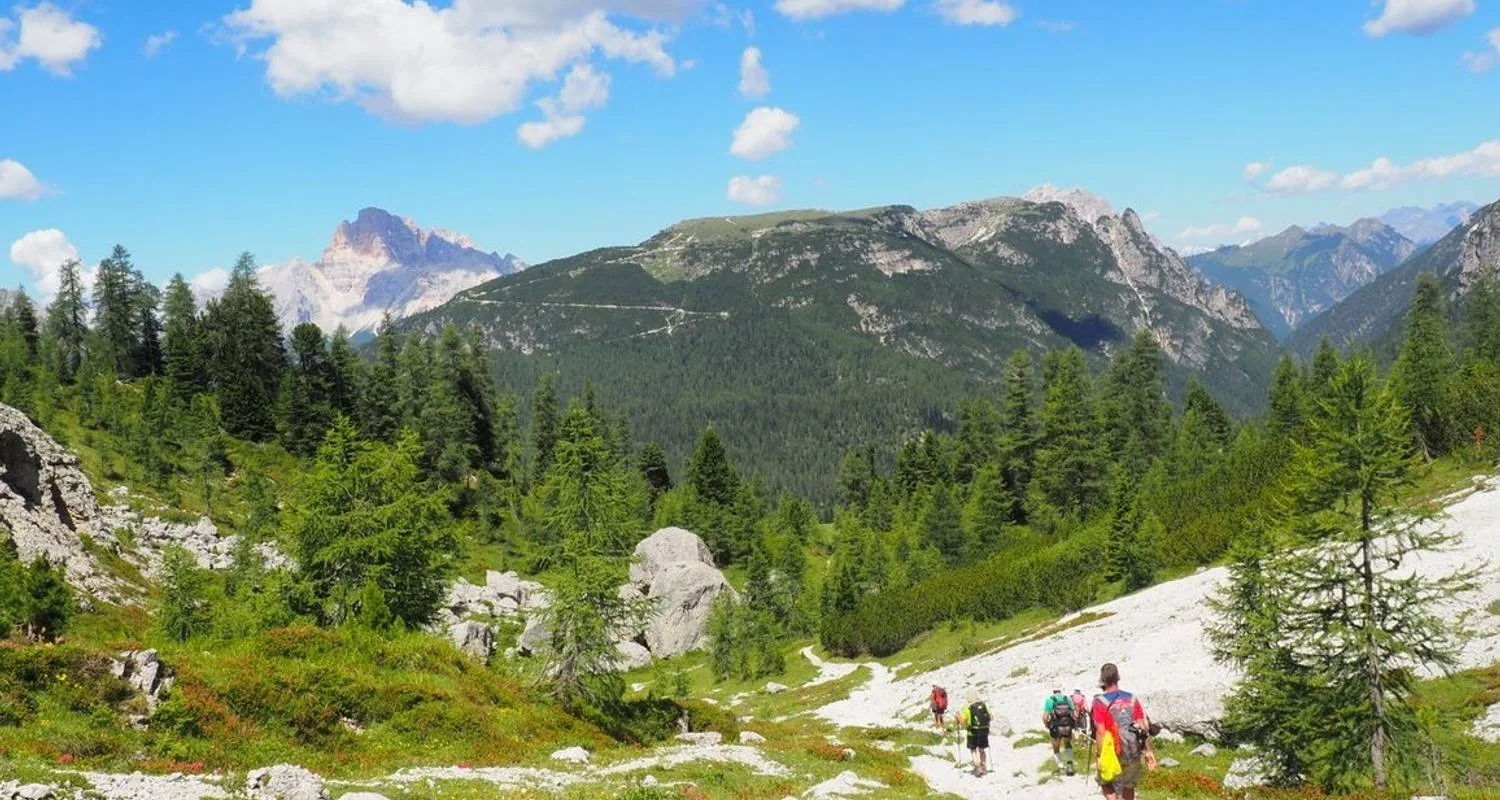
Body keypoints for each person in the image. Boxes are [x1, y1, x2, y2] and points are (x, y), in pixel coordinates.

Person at [1089, 663, 1157, 800]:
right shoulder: (1132, 698)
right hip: (1133, 749)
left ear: (1102, 679)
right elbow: (1142, 726)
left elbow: (1101, 731)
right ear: (1118, 677)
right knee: (1128, 785)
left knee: (1105, 782)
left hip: (1113, 750)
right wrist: (1148, 751)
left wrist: (1100, 755)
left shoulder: (1099, 702)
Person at [1043, 687, 1078, 775]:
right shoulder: (1067, 699)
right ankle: (1070, 765)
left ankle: (1061, 768)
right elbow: (1075, 714)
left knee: (1056, 748)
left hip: (1055, 727)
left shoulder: (1050, 700)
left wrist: (1047, 725)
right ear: (1060, 690)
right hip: (1067, 726)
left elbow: (1045, 717)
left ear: (1053, 690)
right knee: (1068, 745)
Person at [957, 691, 991, 777]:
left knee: (973, 750)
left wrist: (957, 716)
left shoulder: (967, 708)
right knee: (982, 749)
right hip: (983, 731)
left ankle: (978, 767)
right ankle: (984, 767)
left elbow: (962, 722)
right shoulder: (983, 706)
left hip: (972, 732)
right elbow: (990, 717)